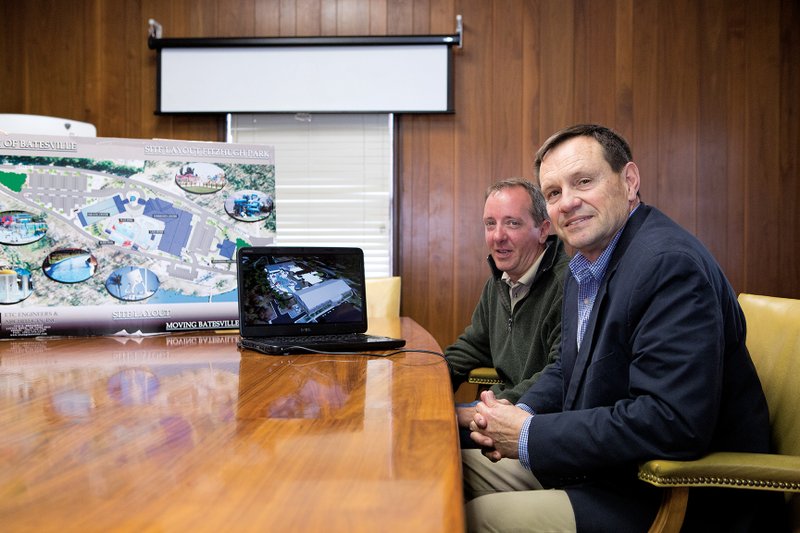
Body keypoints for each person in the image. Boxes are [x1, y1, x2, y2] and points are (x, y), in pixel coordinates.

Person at [463, 125, 785, 532]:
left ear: (629, 181)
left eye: (583, 181)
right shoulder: (586, 265)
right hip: (600, 468)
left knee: (477, 520)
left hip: (666, 494)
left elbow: (671, 422)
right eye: (554, 192)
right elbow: (569, 370)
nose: (568, 203)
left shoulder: (669, 266)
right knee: (448, 469)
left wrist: (529, 434)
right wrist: (518, 412)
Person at [446, 178, 569, 440]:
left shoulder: (567, 286)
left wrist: (481, 412)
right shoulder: (499, 282)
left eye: (512, 223)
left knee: (428, 440)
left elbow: (559, 375)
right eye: (490, 223)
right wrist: (432, 384)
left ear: (543, 230)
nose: (498, 236)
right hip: (500, 408)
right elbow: (473, 347)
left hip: (534, 424)